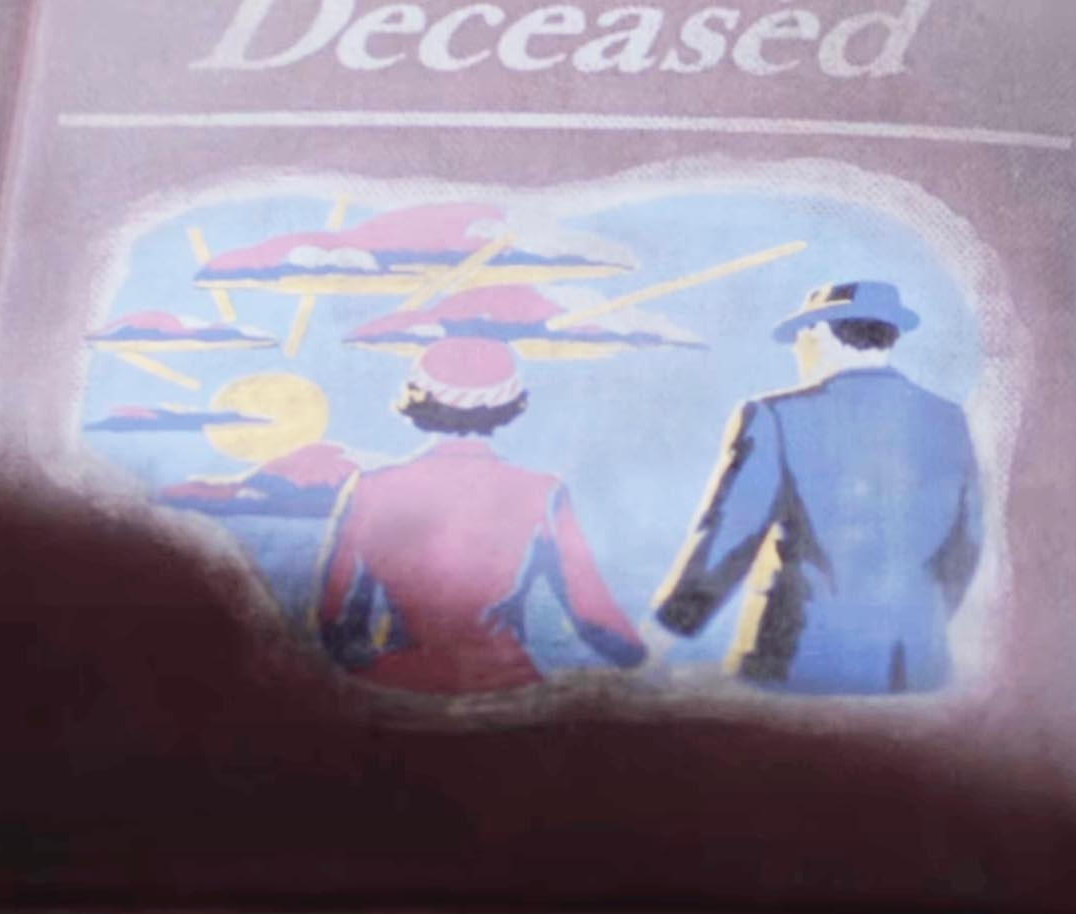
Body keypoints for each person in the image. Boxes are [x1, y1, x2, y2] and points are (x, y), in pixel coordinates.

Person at [653, 277, 982, 691]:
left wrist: (672, 626)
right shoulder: (948, 420)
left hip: (796, 662)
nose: (798, 347)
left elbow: (731, 533)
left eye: (801, 334)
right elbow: (967, 544)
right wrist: (922, 620)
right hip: (914, 665)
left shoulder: (775, 417)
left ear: (821, 332)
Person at [316, 330, 646, 695]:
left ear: (417, 399)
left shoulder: (369, 489)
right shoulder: (543, 493)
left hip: (398, 689)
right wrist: (637, 659)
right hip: (505, 685)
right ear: (511, 402)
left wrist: (377, 671)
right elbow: (593, 616)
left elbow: (338, 620)